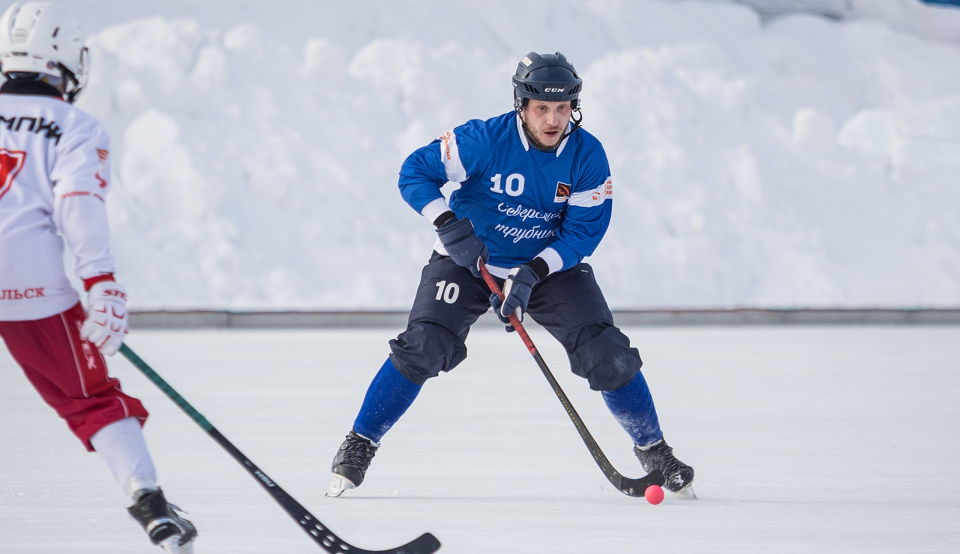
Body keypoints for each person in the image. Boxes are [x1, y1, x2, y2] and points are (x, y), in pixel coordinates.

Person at [326, 51, 695, 499]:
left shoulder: (587, 155)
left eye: (562, 109)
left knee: (607, 353)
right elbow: (414, 173)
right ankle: (360, 441)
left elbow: (584, 231)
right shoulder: (483, 139)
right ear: (521, 104)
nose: (553, 119)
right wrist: (447, 223)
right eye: (542, 108)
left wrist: (533, 272)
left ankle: (654, 450)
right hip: (467, 260)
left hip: (548, 268)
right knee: (423, 346)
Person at [0, 3, 197, 552]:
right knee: (89, 398)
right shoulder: (75, 125)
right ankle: (149, 502)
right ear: (66, 57)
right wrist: (100, 282)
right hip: (30, 288)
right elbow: (77, 203)